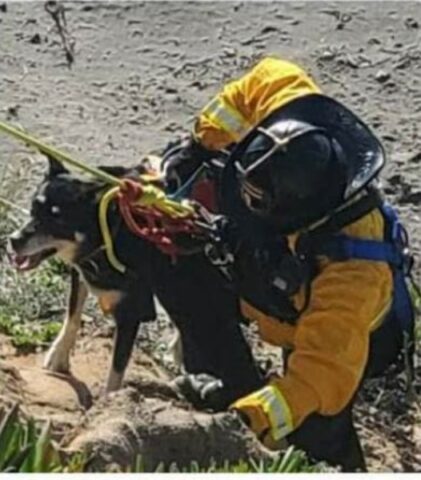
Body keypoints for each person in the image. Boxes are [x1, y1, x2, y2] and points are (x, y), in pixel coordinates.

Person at [160, 57, 417, 471]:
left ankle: (339, 463)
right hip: (275, 286)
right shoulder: (294, 119)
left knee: (315, 423)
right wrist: (199, 145)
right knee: (179, 262)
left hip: (345, 341)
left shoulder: (352, 274)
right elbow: (263, 79)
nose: (242, 205)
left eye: (254, 204)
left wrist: (246, 421)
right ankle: (228, 377)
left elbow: (316, 376)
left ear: (299, 216)